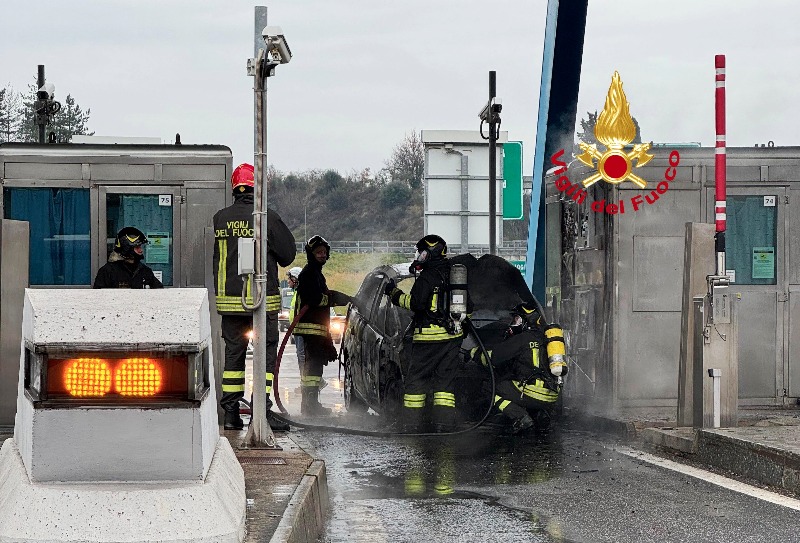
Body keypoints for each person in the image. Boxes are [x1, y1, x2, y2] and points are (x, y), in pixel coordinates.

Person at [213, 163, 296, 431]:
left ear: (234, 188)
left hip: (230, 305)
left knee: (233, 359)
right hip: (261, 303)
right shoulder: (266, 217)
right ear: (257, 188)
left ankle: (230, 414)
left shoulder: (220, 218)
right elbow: (288, 255)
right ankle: (261, 409)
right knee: (265, 355)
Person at [385, 234, 466, 433]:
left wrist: (394, 294)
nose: (418, 256)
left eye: (421, 252)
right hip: (453, 339)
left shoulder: (427, 278)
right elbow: (468, 306)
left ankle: (412, 424)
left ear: (428, 253)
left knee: (416, 382)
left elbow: (415, 304)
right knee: (444, 385)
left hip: (428, 340)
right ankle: (444, 424)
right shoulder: (455, 276)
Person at [467, 302, 567, 434]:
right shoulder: (548, 339)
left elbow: (493, 357)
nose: (513, 323)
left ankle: (520, 417)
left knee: (489, 388)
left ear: (526, 321)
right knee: (516, 385)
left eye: (517, 319)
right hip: (552, 396)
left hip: (531, 392)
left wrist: (474, 353)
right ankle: (540, 416)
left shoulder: (522, 339)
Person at [293, 235, 351, 416]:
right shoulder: (309, 273)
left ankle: (311, 404)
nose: (322, 255)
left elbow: (323, 294)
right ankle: (309, 406)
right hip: (311, 328)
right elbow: (316, 298)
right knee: (313, 367)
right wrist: (336, 299)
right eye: (318, 252)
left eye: (324, 252)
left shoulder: (316, 273)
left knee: (315, 367)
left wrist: (345, 298)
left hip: (316, 329)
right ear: (311, 254)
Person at [93, 227, 163, 289]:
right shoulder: (107, 271)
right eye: (137, 247)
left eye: (140, 247)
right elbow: (98, 297)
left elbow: (159, 292)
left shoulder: (145, 271)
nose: (141, 250)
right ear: (127, 248)